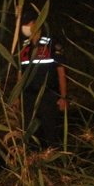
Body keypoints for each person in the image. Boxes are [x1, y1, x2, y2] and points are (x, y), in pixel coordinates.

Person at [19, 8, 68, 148]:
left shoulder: (51, 43)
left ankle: (53, 163)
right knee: (31, 133)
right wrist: (17, 96)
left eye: (28, 23)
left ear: (37, 23)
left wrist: (63, 97)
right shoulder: (24, 45)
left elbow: (61, 71)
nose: (25, 27)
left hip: (48, 95)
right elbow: (20, 73)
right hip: (28, 96)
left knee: (50, 132)